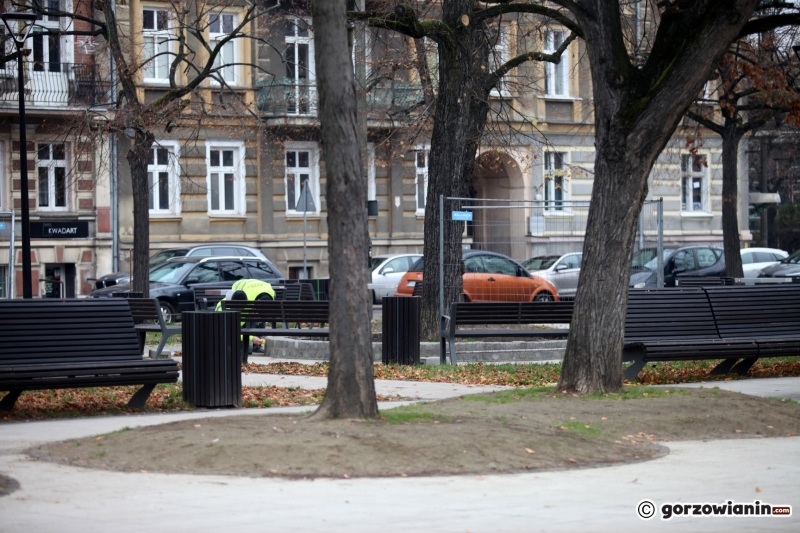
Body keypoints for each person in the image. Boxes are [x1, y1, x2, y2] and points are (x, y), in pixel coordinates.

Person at [215, 279, 275, 357]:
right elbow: (231, 331)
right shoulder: (223, 310)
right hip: (222, 335)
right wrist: (251, 338)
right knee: (246, 349)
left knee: (247, 348)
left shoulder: (247, 304)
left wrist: (258, 317)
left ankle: (254, 345)